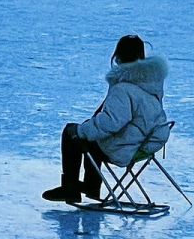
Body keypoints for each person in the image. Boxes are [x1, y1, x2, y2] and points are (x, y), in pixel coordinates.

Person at [42, 35, 170, 205]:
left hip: (128, 146)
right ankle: (91, 185)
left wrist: (82, 130)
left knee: (72, 132)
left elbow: (111, 123)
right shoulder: (150, 81)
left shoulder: (123, 88)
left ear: (118, 56)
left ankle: (71, 188)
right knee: (94, 135)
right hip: (147, 141)